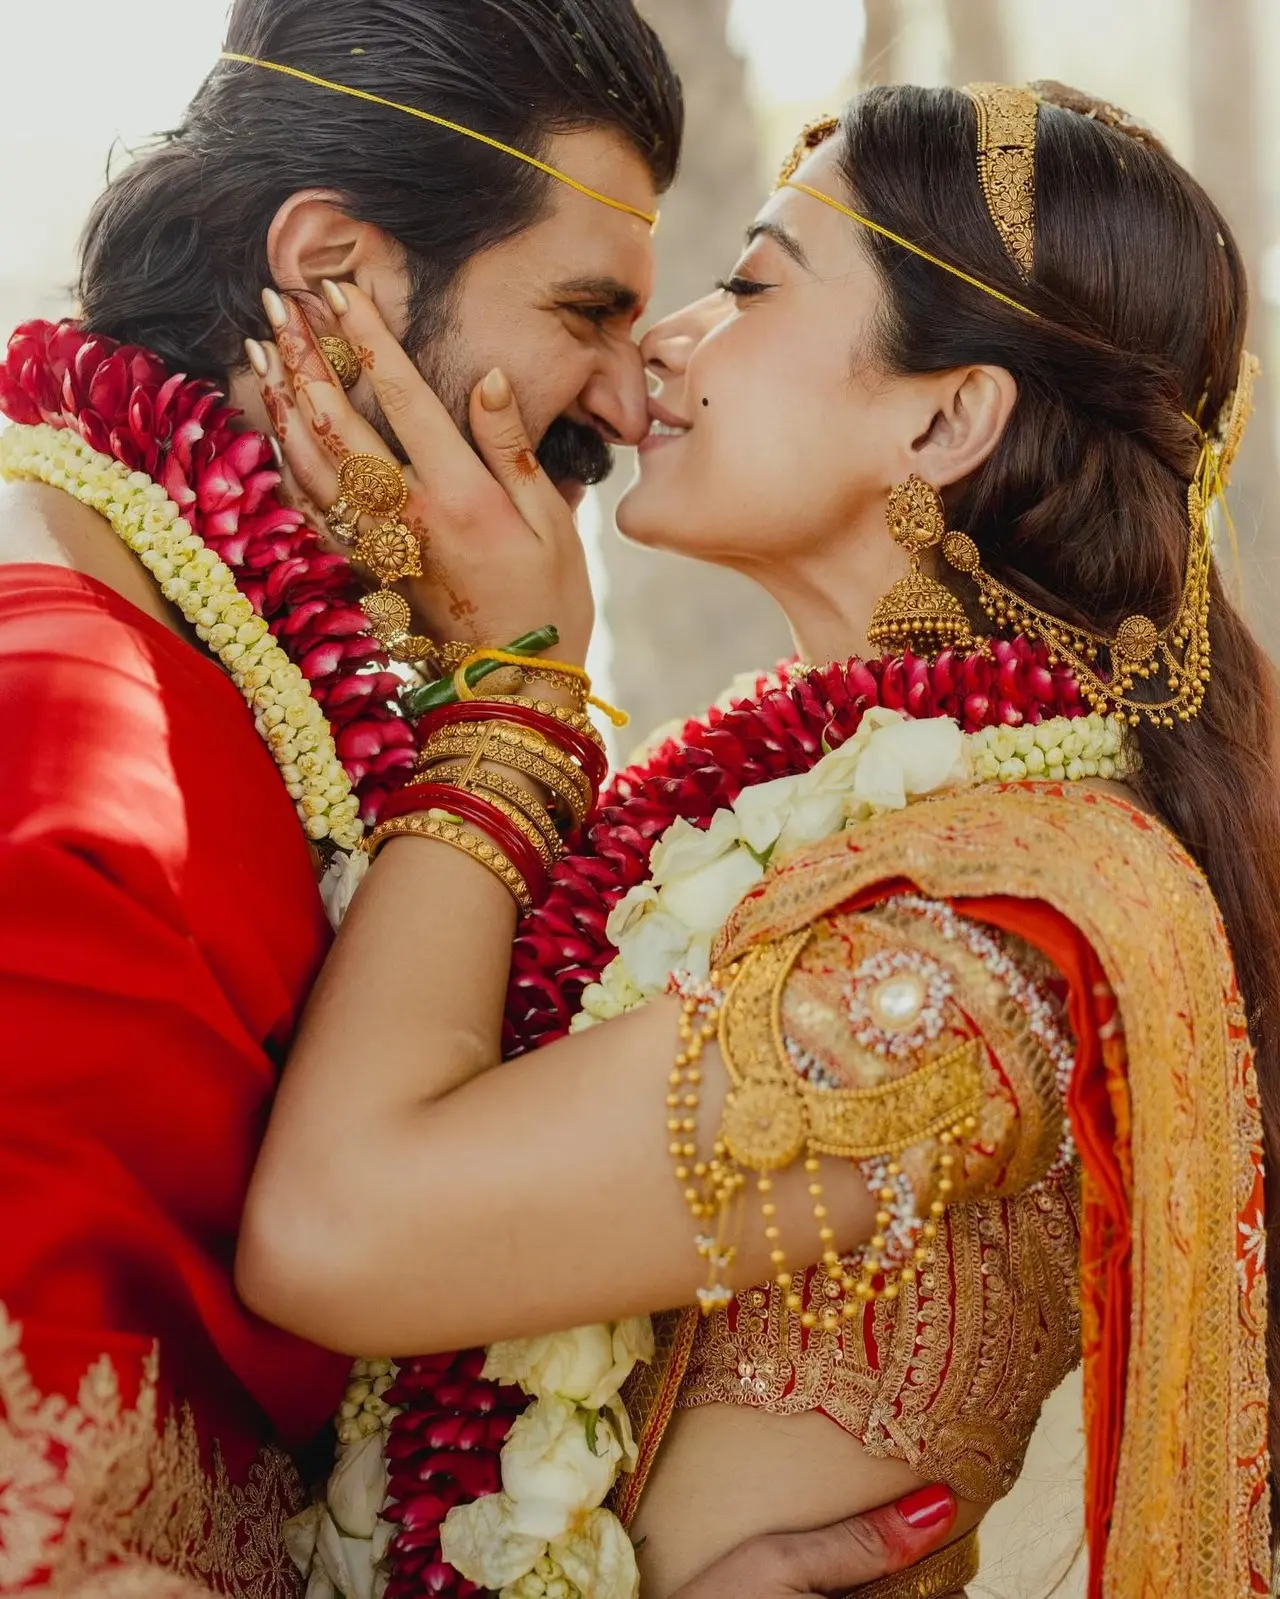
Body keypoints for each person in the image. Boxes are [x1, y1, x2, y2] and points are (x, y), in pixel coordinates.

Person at [229, 82, 1275, 1599]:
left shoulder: (965, 953)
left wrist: (516, 696)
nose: (665, 336)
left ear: (943, 415)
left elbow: (334, 1231)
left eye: (755, 283)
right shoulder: (823, 819)